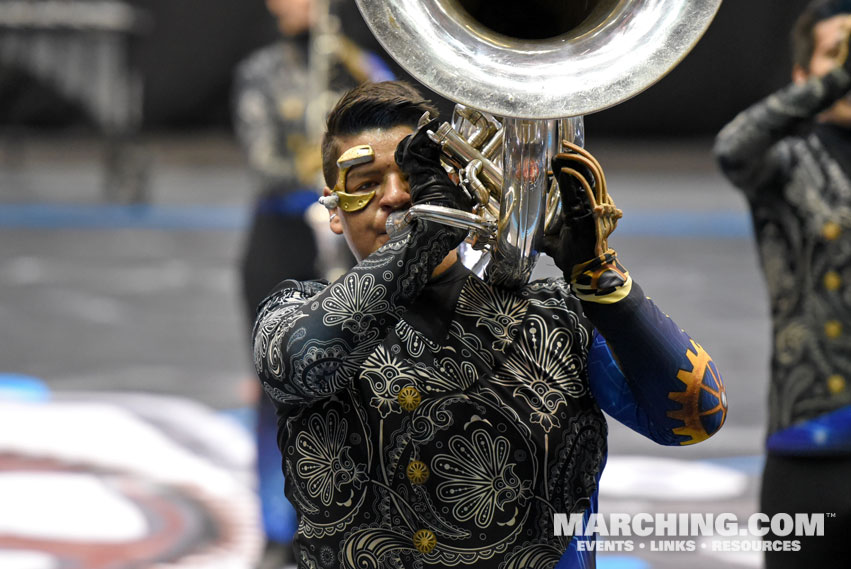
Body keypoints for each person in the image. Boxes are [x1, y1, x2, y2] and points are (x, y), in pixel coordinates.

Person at [253, 80, 727, 569]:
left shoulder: (558, 320)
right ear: (333, 208)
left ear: (459, 181)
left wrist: (601, 280)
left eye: (414, 176)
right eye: (367, 184)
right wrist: (425, 238)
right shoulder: (291, 315)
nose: (394, 196)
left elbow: (697, 417)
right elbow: (302, 362)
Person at [231, 2, 391, 566]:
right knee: (277, 390)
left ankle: (352, 521)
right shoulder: (258, 73)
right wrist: (333, 173)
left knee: (358, 386)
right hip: (280, 244)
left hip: (346, 248)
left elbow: (398, 150)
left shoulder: (363, 69)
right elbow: (264, 163)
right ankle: (279, 530)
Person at [714, 0, 851, 565]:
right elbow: (732, 147)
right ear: (803, 75)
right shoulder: (787, 161)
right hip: (811, 439)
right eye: (834, 52)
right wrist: (841, 77)